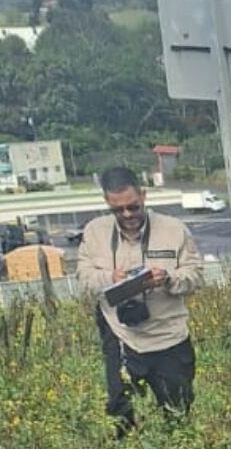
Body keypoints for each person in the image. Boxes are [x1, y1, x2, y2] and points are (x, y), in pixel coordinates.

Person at [77, 167, 203, 432]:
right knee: (121, 414)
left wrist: (168, 279)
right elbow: (84, 279)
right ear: (107, 202)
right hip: (121, 335)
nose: (127, 215)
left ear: (143, 195)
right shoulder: (94, 232)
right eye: (118, 210)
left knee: (178, 414)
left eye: (133, 207)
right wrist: (110, 278)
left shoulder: (174, 229)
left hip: (168, 336)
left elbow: (196, 276)